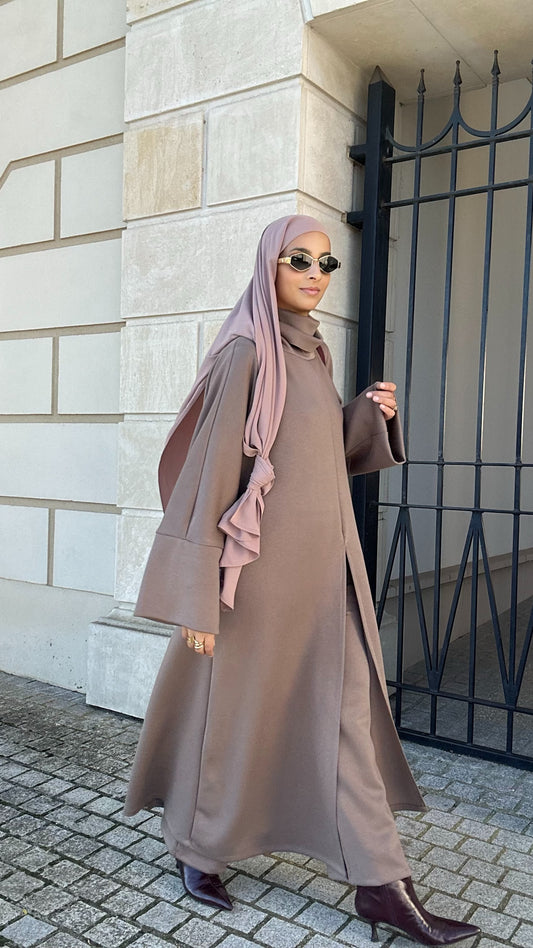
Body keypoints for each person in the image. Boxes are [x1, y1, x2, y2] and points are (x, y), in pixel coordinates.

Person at [124, 215, 480, 946]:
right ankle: (197, 847)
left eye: (326, 263)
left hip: (326, 577)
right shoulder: (248, 351)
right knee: (230, 718)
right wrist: (196, 596)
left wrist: (363, 416)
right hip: (254, 583)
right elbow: (207, 473)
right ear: (270, 266)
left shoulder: (312, 351)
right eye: (299, 260)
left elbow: (312, 453)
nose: (316, 274)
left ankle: (384, 888)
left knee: (345, 721)